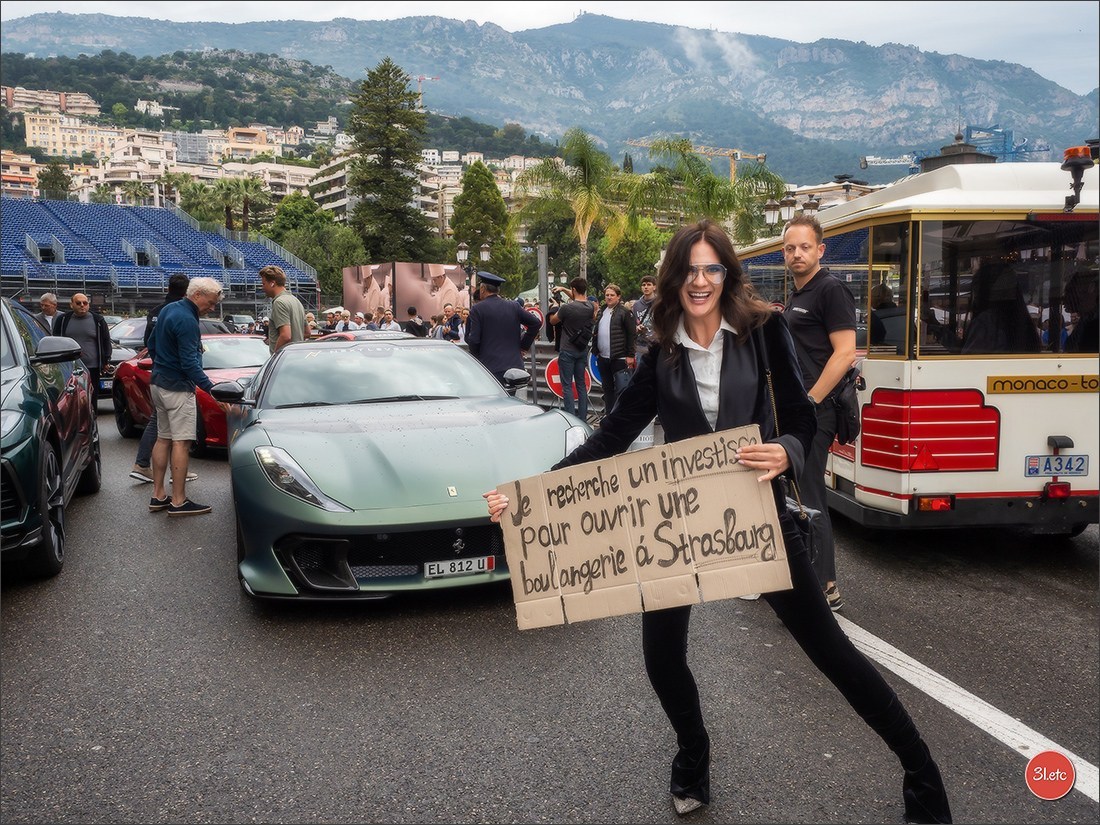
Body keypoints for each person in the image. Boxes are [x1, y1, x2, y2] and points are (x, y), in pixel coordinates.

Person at [483, 219, 951, 824]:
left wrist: (786, 450)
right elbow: (610, 437)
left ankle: (921, 770)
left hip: (758, 512)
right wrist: (532, 496)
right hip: (679, 522)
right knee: (661, 657)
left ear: (727, 275)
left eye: (712, 269)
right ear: (673, 279)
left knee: (830, 649)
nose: (700, 281)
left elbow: (801, 418)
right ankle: (693, 753)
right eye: (690, 270)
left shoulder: (764, 331)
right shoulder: (661, 353)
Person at [781, 214, 855, 612]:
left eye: (805, 247)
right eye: (790, 248)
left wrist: (809, 402)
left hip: (817, 412)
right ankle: (805, 577)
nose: (797, 254)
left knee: (810, 495)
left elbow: (845, 353)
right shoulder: (798, 294)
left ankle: (826, 586)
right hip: (800, 412)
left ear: (820, 250)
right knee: (797, 495)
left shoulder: (830, 290)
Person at [147, 277, 223, 516]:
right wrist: (212, 390)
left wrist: (163, 365)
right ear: (197, 294)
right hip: (178, 388)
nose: (212, 308)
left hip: (159, 383)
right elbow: (190, 363)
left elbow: (151, 343)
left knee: (163, 438)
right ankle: (179, 501)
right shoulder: (188, 319)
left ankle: (158, 495)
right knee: (181, 442)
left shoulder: (169, 309)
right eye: (211, 302)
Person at [129, 273, 197, 486]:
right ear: (188, 292)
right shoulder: (185, 312)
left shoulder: (157, 311)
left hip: (159, 373)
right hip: (176, 378)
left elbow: (150, 342)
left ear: (168, 288)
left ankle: (146, 468)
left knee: (161, 427)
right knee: (178, 436)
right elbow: (188, 355)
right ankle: (171, 472)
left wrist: (160, 362)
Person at [464, 270, 542, 384]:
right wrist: (523, 346)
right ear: (498, 290)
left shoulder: (478, 309)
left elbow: (474, 340)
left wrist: (477, 357)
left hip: (489, 368)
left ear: (483, 289)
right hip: (515, 367)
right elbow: (535, 323)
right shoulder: (513, 306)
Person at [961, 261, 1040, 354]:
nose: (976, 296)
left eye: (977, 289)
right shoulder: (1023, 323)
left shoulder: (986, 321)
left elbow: (968, 357)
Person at [51, 292, 113, 407]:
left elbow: (106, 341)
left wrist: (106, 360)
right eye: (78, 303)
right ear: (71, 305)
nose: (82, 305)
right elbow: (55, 341)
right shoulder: (62, 320)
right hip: (69, 367)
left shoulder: (98, 320)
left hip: (92, 367)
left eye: (85, 303)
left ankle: (92, 417)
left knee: (91, 398)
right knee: (70, 399)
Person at [549, 277, 596, 421]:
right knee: (581, 385)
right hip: (581, 350)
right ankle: (582, 418)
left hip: (567, 350)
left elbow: (553, 321)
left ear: (574, 289)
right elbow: (578, 298)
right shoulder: (590, 307)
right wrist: (564, 289)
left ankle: (571, 417)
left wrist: (554, 307)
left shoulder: (566, 308)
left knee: (567, 385)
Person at [592, 283, 636, 416]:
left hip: (619, 357)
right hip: (603, 357)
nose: (609, 297)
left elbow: (631, 334)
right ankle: (609, 414)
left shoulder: (625, 312)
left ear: (618, 297)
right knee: (607, 388)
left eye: (612, 295)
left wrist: (630, 355)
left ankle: (620, 415)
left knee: (621, 388)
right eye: (607, 295)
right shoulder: (602, 311)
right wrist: (595, 350)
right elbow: (596, 331)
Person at [260, 265, 307, 353]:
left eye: (264, 284)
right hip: (298, 356)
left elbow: (286, 336)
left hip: (286, 358)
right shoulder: (296, 300)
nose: (263, 288)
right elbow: (307, 332)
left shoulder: (279, 302)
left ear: (272, 283)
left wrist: (275, 356)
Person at [632, 274, 658, 367]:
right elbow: (634, 323)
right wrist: (637, 328)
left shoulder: (660, 303)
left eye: (649, 284)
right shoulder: (636, 305)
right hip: (641, 347)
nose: (646, 287)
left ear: (654, 287)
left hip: (656, 345)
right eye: (643, 285)